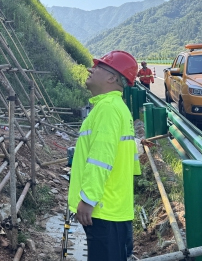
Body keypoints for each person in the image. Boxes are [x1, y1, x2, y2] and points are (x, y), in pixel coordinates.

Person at [68, 50, 141, 261]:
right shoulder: (114, 107)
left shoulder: (108, 109)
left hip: (103, 208)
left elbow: (101, 158)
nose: (91, 69)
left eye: (98, 67)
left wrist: (88, 199)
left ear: (112, 78)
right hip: (113, 207)